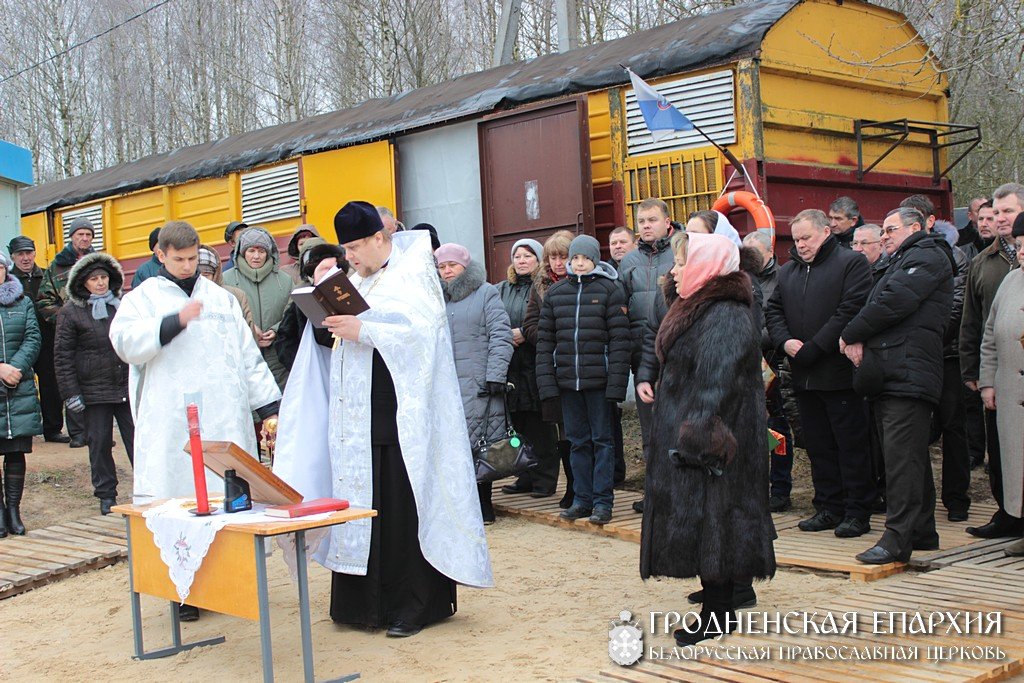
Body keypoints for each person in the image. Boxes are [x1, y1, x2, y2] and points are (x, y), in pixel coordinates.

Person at [274, 200, 493, 638]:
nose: (350, 256)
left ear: (380, 237)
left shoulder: (414, 275)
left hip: (400, 418)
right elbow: (334, 332)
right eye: (346, 249)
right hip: (357, 418)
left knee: (400, 509)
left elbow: (423, 337)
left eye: (356, 246)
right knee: (362, 507)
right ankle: (360, 606)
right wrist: (321, 317)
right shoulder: (354, 279)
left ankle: (412, 607)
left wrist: (367, 331)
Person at [109, 221, 281, 620]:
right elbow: (124, 343)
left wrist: (268, 406)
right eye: (179, 259)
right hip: (173, 419)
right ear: (161, 255)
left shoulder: (220, 300)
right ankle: (182, 591)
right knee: (179, 498)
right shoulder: (144, 298)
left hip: (223, 416)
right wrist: (172, 323)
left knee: (227, 497)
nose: (188, 266)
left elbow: (247, 356)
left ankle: (227, 581)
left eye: (193, 259)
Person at [640, 231, 775, 646]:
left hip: (714, 439)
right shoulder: (700, 307)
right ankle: (718, 607)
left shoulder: (725, 313)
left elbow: (716, 382)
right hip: (696, 435)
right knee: (706, 522)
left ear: (705, 267)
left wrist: (698, 432)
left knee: (716, 522)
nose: (674, 270)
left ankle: (718, 614)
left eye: (681, 263)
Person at [841, 207, 954, 564]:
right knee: (909, 456)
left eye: (891, 229)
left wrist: (851, 333)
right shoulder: (904, 259)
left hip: (908, 371)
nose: (884, 236)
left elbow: (893, 302)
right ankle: (921, 531)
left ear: (916, 227)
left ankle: (896, 539)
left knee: (901, 459)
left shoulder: (926, 256)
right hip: (895, 371)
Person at [766, 209, 874, 537]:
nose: (800, 245)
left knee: (850, 445)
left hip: (838, 373)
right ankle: (827, 506)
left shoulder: (850, 263)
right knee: (817, 445)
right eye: (796, 239)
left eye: (806, 238)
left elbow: (850, 310)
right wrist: (786, 343)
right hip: (802, 374)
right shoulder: (789, 272)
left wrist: (814, 347)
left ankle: (857, 511)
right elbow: (773, 310)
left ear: (826, 232)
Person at [536, 234, 629, 525]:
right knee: (577, 442)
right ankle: (582, 499)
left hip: (598, 382)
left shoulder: (609, 290)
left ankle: (603, 502)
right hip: (567, 382)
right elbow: (545, 343)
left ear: (594, 260)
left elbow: (619, 340)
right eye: (574, 258)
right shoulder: (555, 294)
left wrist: (616, 383)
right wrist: (548, 383)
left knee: (603, 441)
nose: (578, 264)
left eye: (584, 259)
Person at [960, 183, 1024, 538]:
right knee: (1001, 448)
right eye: (995, 213)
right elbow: (976, 320)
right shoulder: (984, 261)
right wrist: (977, 372)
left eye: (1007, 212)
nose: (1000, 219)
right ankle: (1007, 512)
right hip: (999, 373)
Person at [435, 242, 513, 524]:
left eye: (452, 265)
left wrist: (495, 375)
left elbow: (501, 336)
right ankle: (459, 506)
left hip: (479, 385)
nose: (447, 271)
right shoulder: (437, 300)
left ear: (465, 267)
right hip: (446, 385)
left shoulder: (486, 293)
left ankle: (483, 506)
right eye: (442, 267)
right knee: (452, 447)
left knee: (481, 446)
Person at [54, 252, 134, 515]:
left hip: (124, 385)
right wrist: (71, 393)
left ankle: (147, 488)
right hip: (93, 390)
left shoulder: (121, 307)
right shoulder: (71, 312)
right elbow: (62, 356)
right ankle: (106, 494)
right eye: (94, 279)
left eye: (104, 278)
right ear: (83, 283)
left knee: (137, 441)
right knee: (99, 444)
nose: (100, 283)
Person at [619, 198, 675, 506]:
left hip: (676, 354)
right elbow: (621, 306)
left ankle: (678, 490)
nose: (646, 226)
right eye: (641, 221)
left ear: (667, 222)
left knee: (678, 426)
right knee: (650, 430)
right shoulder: (628, 262)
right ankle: (655, 492)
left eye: (652, 220)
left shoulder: (680, 253)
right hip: (642, 355)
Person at [498, 239, 561, 499]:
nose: (521, 260)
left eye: (527, 256)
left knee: (540, 425)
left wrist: (525, 332)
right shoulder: (502, 288)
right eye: (517, 256)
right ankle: (524, 474)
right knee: (518, 424)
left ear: (538, 259)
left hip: (536, 360)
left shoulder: (543, 285)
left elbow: (547, 319)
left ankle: (545, 479)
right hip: (512, 364)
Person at [521, 230, 576, 508]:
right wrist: (550, 336)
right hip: (552, 365)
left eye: (563, 256)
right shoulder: (540, 286)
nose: (557, 262)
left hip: (580, 364)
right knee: (562, 429)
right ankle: (571, 488)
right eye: (552, 257)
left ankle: (584, 488)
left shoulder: (585, 282)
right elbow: (530, 324)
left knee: (582, 430)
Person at [980, 213, 1024, 556]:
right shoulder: (1011, 281)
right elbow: (990, 339)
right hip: (1011, 391)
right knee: (1016, 464)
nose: (1021, 252)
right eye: (1019, 246)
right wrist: (988, 382)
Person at [743, 230, 794, 512]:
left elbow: (780, 322)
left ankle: (781, 487)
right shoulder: (740, 280)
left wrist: (751, 337)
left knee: (778, 430)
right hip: (747, 364)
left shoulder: (782, 279)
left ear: (769, 254)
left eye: (754, 253)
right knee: (753, 429)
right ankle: (756, 486)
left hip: (774, 364)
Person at [37, 217, 95, 448]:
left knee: (96, 381)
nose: (84, 238)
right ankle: (78, 433)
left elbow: (114, 292)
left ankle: (97, 431)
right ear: (71, 236)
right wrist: (66, 319)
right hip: (69, 334)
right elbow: (43, 302)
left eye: (88, 234)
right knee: (72, 381)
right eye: (80, 234)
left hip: (96, 332)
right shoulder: (57, 266)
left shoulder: (98, 262)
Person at [8, 236, 67, 444]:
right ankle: (19, 430)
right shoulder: (8, 280)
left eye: (29, 253)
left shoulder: (47, 275)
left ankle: (52, 429)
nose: (25, 258)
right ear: (12, 257)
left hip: (47, 339)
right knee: (17, 384)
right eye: (20, 254)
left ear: (35, 253)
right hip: (17, 342)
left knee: (51, 384)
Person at [0, 253, 42, 538]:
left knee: (16, 451)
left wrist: (15, 367)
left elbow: (33, 337)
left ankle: (14, 510)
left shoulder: (22, 301)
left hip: (19, 387)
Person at [222, 227, 295, 389]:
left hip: (278, 360)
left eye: (261, 251)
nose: (256, 256)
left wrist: (276, 330)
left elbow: (293, 313)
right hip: (243, 359)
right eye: (251, 250)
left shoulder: (285, 281)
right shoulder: (226, 280)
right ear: (242, 252)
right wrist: (249, 327)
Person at [274, 240, 347, 370]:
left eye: (333, 269)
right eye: (324, 269)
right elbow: (284, 338)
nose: (328, 273)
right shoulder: (302, 299)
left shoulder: (350, 297)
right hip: (313, 373)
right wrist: (300, 366)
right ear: (314, 273)